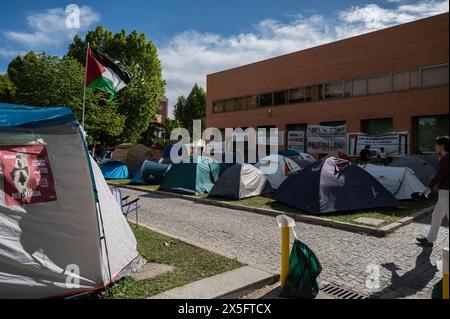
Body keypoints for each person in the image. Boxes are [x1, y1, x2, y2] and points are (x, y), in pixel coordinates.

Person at [416, 136, 449, 247]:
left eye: (436, 145)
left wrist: (428, 188)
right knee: (436, 215)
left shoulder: (446, 159)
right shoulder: (445, 158)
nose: (435, 147)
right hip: (445, 192)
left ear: (442, 146)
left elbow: (438, 176)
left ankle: (430, 240)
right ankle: (430, 240)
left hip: (446, 192)